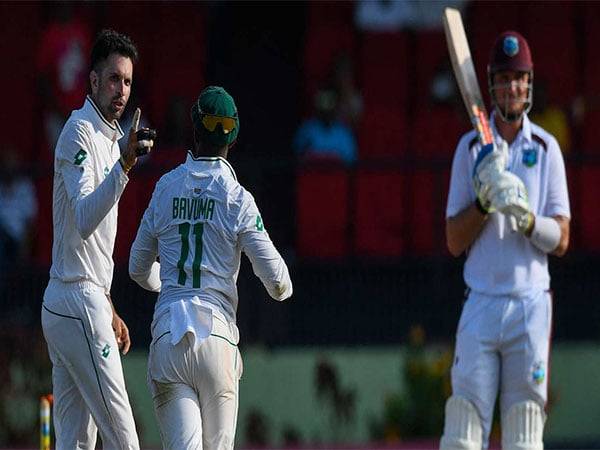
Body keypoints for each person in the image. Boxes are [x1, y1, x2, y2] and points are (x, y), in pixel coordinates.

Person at [129, 86, 293, 449]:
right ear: (232, 137)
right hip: (217, 337)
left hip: (169, 334)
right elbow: (279, 284)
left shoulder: (166, 187)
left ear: (194, 128)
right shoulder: (238, 199)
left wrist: (169, 286)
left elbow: (137, 268)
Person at [440, 31, 570, 450]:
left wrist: (526, 218)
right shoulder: (470, 149)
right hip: (480, 301)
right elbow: (454, 241)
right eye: (504, 78)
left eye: (520, 78)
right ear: (492, 84)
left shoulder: (547, 150)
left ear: (529, 83)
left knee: (525, 431)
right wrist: (485, 200)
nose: (512, 87)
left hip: (530, 305)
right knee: (462, 429)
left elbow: (563, 238)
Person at [41, 29, 154, 449]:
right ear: (92, 81)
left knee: (75, 444)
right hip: (73, 299)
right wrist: (124, 166)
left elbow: (89, 245)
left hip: (82, 300)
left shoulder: (109, 138)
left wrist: (108, 305)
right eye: (112, 79)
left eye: (127, 81)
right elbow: (86, 218)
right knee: (125, 440)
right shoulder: (79, 134)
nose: (121, 91)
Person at [293, 88, 357, 165]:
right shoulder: (307, 129)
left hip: (337, 175)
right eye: (323, 108)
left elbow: (350, 160)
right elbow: (297, 156)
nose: (326, 113)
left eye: (329, 108)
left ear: (334, 109)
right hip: (312, 175)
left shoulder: (344, 131)